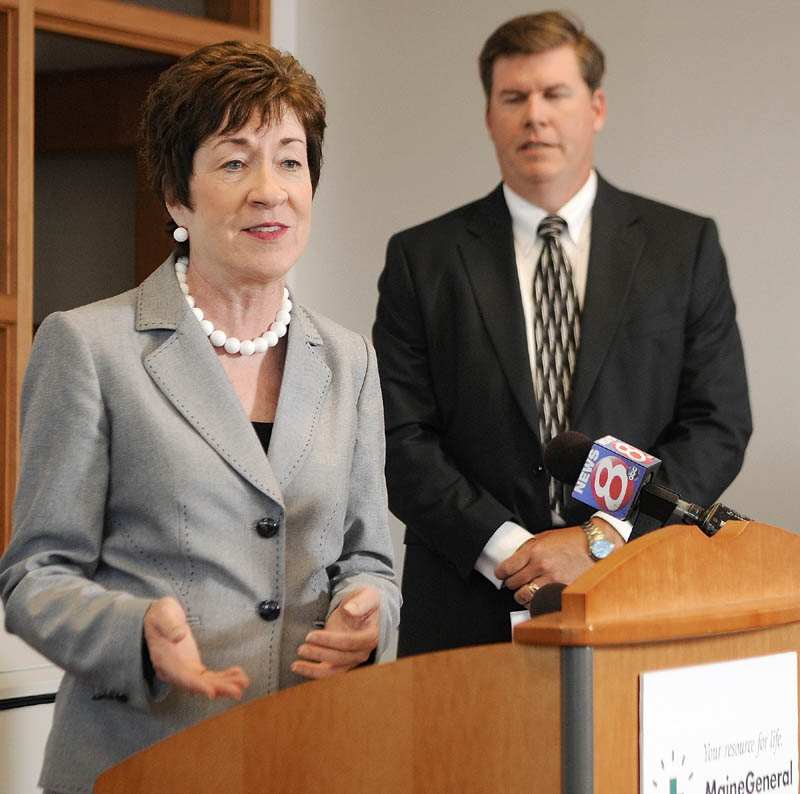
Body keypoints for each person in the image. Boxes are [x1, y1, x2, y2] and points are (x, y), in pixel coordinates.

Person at [0, 41, 400, 794]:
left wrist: (370, 614)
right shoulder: (89, 347)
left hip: (311, 758)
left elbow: (368, 559)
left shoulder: (349, 359)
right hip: (141, 763)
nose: (270, 190)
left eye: (289, 160)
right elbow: (34, 578)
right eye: (233, 161)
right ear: (177, 199)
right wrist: (134, 635)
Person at [372, 11, 751, 657]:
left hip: (638, 587)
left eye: (555, 94)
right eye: (513, 98)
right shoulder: (422, 258)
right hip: (465, 601)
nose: (534, 116)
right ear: (489, 116)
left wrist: (600, 537)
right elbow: (400, 437)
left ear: (596, 106)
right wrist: (513, 552)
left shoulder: (681, 247)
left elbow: (717, 424)